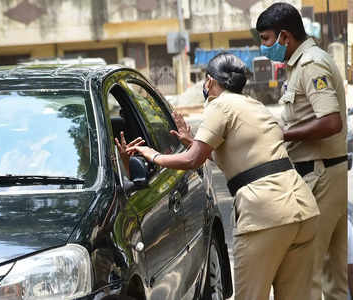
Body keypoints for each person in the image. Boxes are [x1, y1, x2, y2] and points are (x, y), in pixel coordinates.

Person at [127, 53, 320, 300]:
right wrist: (192, 142)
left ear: (208, 82)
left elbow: (192, 160)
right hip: (303, 208)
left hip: (266, 214)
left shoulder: (219, 105)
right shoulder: (254, 105)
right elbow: (241, 159)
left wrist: (153, 156)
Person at [256, 3, 348, 300]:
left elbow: (330, 121)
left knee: (308, 272)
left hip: (319, 175)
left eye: (267, 39)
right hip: (327, 172)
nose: (264, 46)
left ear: (285, 36)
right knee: (335, 275)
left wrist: (284, 134)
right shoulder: (304, 63)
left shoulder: (310, 65)